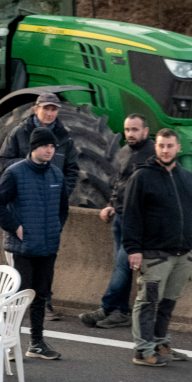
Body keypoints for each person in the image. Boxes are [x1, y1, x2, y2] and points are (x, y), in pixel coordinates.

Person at [0, 92, 80, 319]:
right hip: (25, 209)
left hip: (48, 211)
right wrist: (29, 169)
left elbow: (72, 170)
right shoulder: (19, 132)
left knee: (45, 267)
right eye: (46, 108)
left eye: (54, 109)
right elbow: (1, 162)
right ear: (36, 109)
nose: (50, 113)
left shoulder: (64, 137)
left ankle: (42, 314)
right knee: (20, 276)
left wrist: (59, 193)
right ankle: (9, 330)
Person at [122, 129, 192, 367]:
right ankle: (143, 350)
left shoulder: (189, 178)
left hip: (183, 254)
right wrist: (133, 249)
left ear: (178, 148)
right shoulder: (142, 177)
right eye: (161, 146)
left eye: (170, 146)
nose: (165, 150)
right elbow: (131, 216)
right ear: (155, 147)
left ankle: (160, 342)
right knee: (147, 302)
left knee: (168, 303)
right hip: (153, 254)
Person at [0, 127, 69, 360]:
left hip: (47, 247)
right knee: (17, 297)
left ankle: (36, 343)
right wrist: (15, 227)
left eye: (53, 146)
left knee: (40, 295)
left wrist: (54, 229)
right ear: (34, 147)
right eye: (45, 145)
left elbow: (63, 209)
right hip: (21, 248)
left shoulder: (56, 174)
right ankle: (7, 343)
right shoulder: (15, 172)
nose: (50, 150)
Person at [81, 114, 154, 329]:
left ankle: (105, 308)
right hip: (119, 218)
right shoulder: (123, 152)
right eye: (127, 130)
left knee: (122, 268)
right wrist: (111, 204)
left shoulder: (152, 155)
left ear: (145, 131)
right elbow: (118, 183)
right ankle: (121, 311)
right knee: (119, 267)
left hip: (136, 222)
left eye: (135, 129)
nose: (130, 134)